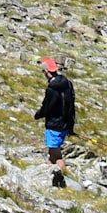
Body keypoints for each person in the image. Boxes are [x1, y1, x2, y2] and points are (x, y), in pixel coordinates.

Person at [32, 57, 75, 188]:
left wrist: (38, 114)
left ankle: (63, 177)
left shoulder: (52, 89)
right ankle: (49, 175)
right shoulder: (67, 83)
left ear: (47, 72)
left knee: (56, 154)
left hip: (54, 125)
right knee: (52, 153)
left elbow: (47, 107)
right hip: (65, 124)